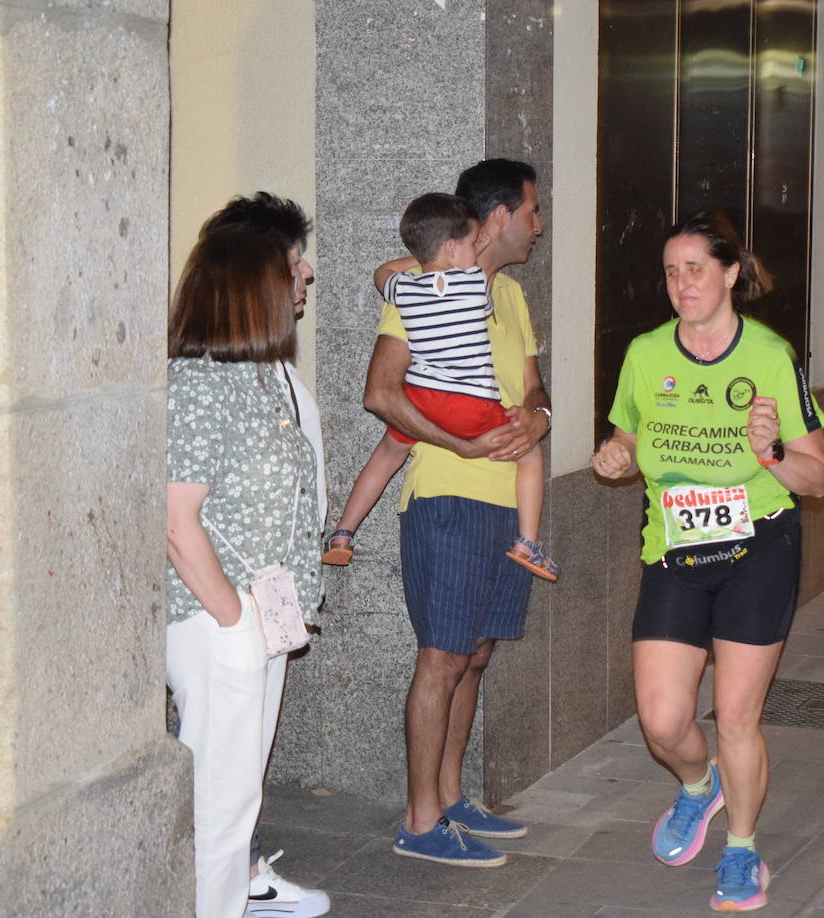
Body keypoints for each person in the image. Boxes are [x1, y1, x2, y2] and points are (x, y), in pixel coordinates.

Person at [592, 211, 824, 912]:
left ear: (730, 272)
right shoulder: (644, 354)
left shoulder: (769, 356)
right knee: (663, 721)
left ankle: (743, 850)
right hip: (675, 550)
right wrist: (616, 455)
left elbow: (817, 480)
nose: (681, 283)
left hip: (759, 549)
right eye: (670, 270)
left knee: (734, 718)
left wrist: (772, 453)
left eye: (695, 267)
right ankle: (702, 789)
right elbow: (627, 438)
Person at [361, 159, 551, 867]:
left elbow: (535, 390)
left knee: (475, 655)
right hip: (446, 498)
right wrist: (463, 445)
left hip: (508, 503)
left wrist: (539, 419)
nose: (537, 224)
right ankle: (418, 821)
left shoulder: (513, 299)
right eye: (531, 210)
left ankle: (448, 797)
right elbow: (381, 394)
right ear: (496, 216)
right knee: (442, 657)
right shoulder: (417, 291)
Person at [166, 225, 328, 918]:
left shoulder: (261, 377)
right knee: (221, 800)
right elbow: (177, 521)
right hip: (215, 621)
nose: (307, 275)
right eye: (294, 266)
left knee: (238, 797)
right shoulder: (200, 382)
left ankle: (231, 903)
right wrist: (233, 620)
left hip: (260, 615)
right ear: (251, 284)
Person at [323, 192, 559, 581]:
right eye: (469, 243)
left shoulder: (405, 289)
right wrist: (473, 247)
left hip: (422, 398)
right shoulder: (473, 284)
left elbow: (381, 272)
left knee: (386, 454)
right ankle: (528, 542)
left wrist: (428, 257)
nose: (476, 248)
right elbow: (479, 255)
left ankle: (343, 533)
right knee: (529, 452)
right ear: (454, 248)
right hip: (470, 401)